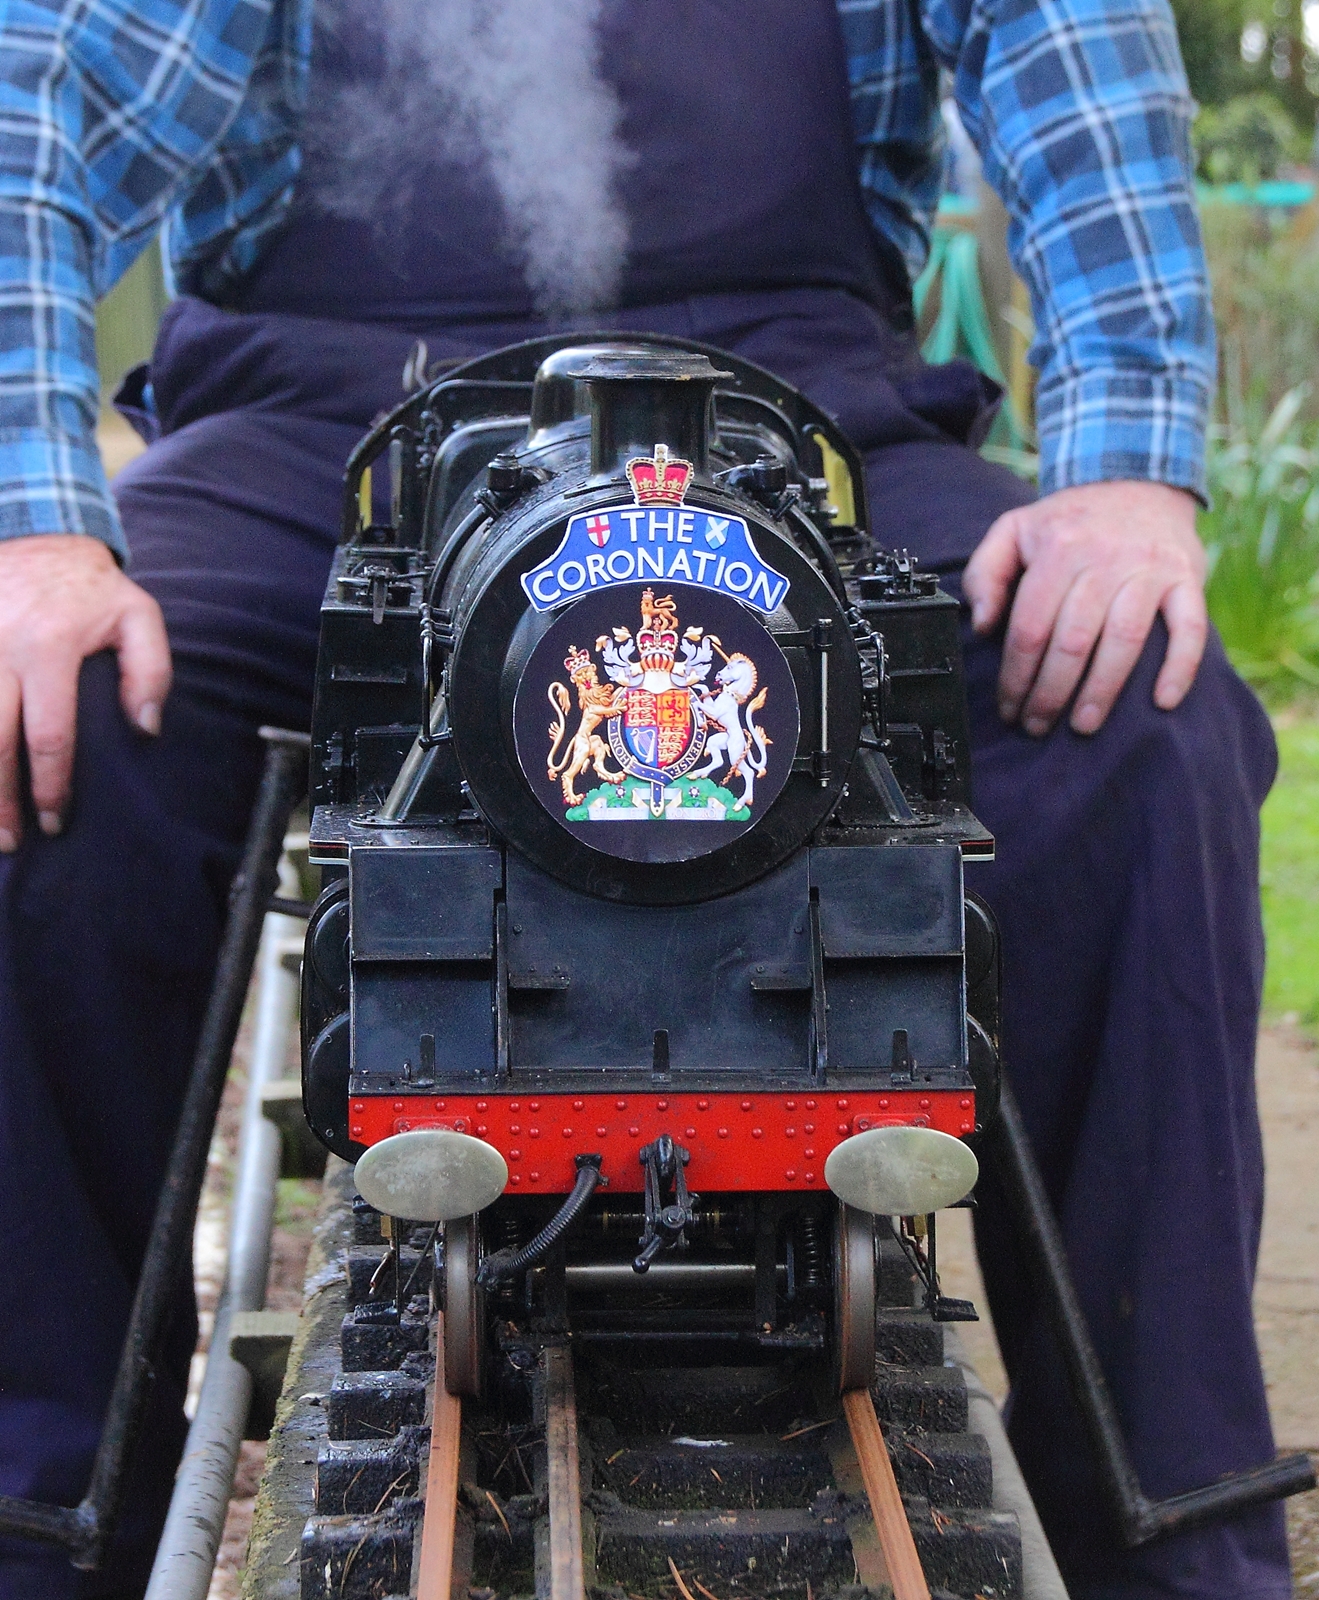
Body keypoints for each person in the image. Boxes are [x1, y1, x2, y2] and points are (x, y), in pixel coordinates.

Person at [0, 0, 1285, 1596]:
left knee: (1142, 730)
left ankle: (1174, 1536)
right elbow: (37, 100)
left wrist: (1124, 470)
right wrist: (30, 525)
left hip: (789, 397)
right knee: (53, 734)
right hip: (329, 419)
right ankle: (36, 1523)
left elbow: (1069, 49)